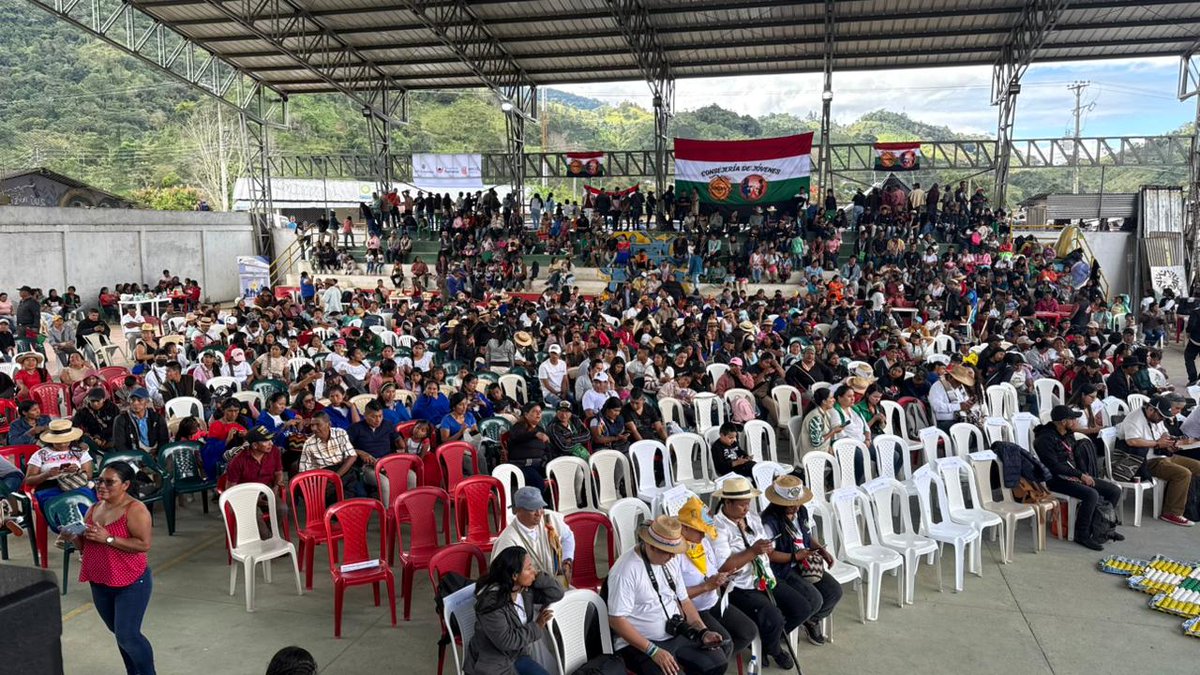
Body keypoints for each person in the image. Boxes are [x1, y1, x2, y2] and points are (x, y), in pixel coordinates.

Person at [57, 461, 155, 675]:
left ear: (126, 485)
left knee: (128, 635)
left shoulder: (135, 510)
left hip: (131, 581)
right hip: (100, 580)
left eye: (110, 482)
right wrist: (73, 536)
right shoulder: (94, 508)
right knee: (119, 634)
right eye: (100, 481)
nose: (102, 486)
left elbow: (143, 545)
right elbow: (85, 546)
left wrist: (108, 537)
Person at [607, 515, 732, 675]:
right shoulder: (626, 570)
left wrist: (703, 631)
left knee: (716, 663)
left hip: (673, 632)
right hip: (639, 644)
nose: (673, 557)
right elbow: (616, 620)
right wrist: (653, 651)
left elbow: (685, 601)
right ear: (650, 546)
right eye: (668, 553)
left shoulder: (669, 560)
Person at [712, 476, 806, 670]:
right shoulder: (717, 528)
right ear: (727, 502)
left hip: (765, 577)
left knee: (801, 607)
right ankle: (775, 650)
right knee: (774, 616)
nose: (746, 509)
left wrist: (768, 548)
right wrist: (752, 551)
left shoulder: (752, 517)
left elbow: (765, 547)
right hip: (741, 585)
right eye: (741, 505)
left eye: (748, 504)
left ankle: (768, 642)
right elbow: (724, 567)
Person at [759, 475, 842, 645]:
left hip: (803, 562)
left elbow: (806, 536)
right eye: (790, 505)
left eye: (797, 503)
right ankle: (778, 635)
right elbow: (768, 554)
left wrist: (821, 550)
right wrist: (795, 557)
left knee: (834, 591)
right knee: (814, 600)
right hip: (782, 569)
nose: (795, 507)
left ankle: (811, 620)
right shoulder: (769, 522)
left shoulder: (801, 511)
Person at [675, 496, 758, 657]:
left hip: (713, 601)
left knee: (748, 631)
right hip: (693, 610)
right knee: (723, 644)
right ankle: (711, 659)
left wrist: (723, 577)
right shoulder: (675, 553)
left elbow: (712, 570)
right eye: (700, 530)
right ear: (684, 528)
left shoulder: (702, 543)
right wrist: (705, 587)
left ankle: (716, 660)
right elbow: (673, 596)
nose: (703, 535)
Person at [464, 545, 564, 675]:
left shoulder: (523, 591)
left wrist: (539, 577)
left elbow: (557, 593)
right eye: (529, 568)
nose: (534, 570)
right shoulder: (491, 602)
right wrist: (537, 627)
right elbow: (506, 641)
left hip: (516, 656)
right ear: (515, 575)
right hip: (492, 665)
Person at [1034, 406, 1123, 549]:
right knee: (1091, 494)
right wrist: (1080, 475)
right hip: (1055, 480)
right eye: (1073, 419)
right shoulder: (1045, 439)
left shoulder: (1067, 434)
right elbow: (1054, 467)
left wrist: (1083, 473)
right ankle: (1083, 534)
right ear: (1064, 421)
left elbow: (1075, 457)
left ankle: (1104, 528)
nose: (1076, 421)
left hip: (1073, 475)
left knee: (1114, 490)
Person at [1118, 396, 1200, 527]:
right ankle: (1171, 512)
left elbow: (1163, 432)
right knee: (1183, 474)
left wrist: (1169, 441)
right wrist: (1157, 444)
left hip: (1161, 456)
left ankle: (1191, 505)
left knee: (1197, 466)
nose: (1162, 419)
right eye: (1161, 416)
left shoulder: (1157, 417)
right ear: (1151, 409)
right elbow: (1132, 441)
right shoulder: (1134, 419)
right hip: (1144, 461)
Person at [490, 487, 575, 587]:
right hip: (526, 591)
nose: (539, 513)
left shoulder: (549, 518)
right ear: (518, 510)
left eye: (540, 507)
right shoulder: (508, 539)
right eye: (532, 509)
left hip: (554, 583)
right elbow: (502, 577)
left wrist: (567, 560)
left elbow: (568, 536)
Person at [223, 426, 289, 538]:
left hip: (266, 490)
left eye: (271, 440)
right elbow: (231, 489)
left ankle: (268, 535)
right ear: (254, 445)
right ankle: (268, 540)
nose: (271, 444)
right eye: (266, 441)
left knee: (282, 508)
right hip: (244, 494)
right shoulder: (238, 461)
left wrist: (275, 489)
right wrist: (252, 500)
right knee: (255, 515)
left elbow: (279, 472)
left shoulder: (274, 452)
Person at [24, 420, 96, 511]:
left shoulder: (79, 452)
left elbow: (89, 476)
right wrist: (47, 474)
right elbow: (28, 480)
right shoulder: (40, 454)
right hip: (49, 488)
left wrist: (77, 471)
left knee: (86, 504)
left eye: (66, 441)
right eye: (58, 442)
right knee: (60, 509)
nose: (62, 444)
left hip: (76, 485)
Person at [298, 412, 367, 499]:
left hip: (343, 471)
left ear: (328, 424)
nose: (314, 428)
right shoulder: (309, 443)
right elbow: (304, 471)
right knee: (336, 496)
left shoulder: (340, 433)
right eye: (312, 425)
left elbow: (352, 456)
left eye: (318, 425)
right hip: (324, 477)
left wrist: (335, 477)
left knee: (361, 495)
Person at [505, 403, 550, 491]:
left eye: (540, 412)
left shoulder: (540, 429)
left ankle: (550, 504)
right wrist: (534, 434)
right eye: (534, 411)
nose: (538, 414)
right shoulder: (518, 427)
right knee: (538, 483)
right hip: (523, 466)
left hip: (540, 465)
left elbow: (547, 448)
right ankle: (539, 505)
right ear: (526, 414)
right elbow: (517, 436)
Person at [110, 388, 169, 455]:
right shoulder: (121, 420)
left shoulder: (157, 418)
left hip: (156, 454)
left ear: (146, 403)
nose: (135, 403)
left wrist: (158, 454)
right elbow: (119, 445)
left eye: (139, 400)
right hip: (132, 456)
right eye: (133, 400)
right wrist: (136, 457)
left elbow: (164, 440)